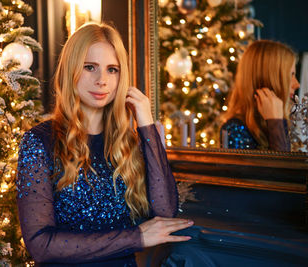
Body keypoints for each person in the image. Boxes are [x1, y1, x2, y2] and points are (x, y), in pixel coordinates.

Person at [16, 23, 193, 266]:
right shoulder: (40, 141)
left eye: (112, 70)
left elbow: (165, 214)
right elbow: (41, 246)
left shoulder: (130, 142)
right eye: (90, 67)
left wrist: (146, 122)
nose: (102, 80)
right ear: (71, 70)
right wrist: (136, 237)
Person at [221, 40, 300, 151]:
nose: (297, 84)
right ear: (268, 79)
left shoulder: (280, 121)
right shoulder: (235, 129)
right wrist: (275, 122)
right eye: (290, 75)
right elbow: (283, 167)